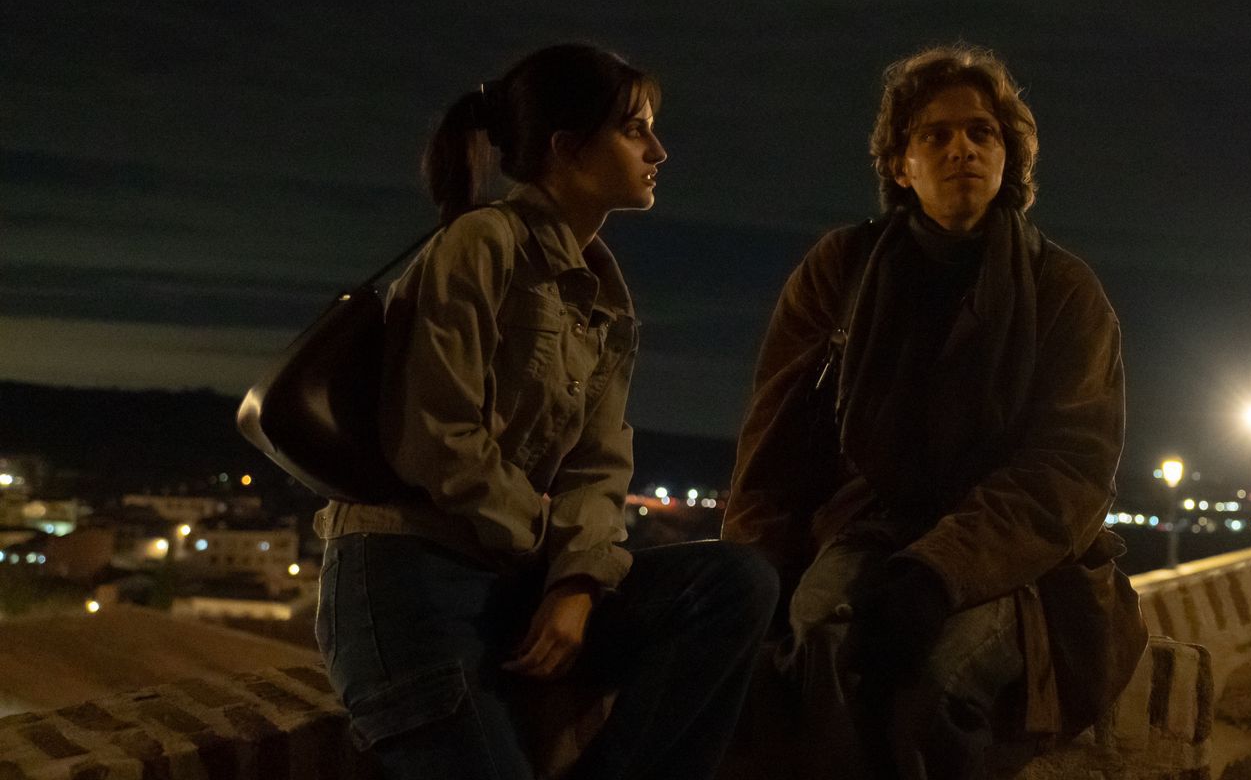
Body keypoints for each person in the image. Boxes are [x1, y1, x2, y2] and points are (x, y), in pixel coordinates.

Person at [315, 43, 777, 780]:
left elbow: (599, 466)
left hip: (510, 582)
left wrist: (577, 582)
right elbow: (439, 439)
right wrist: (549, 551)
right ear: (567, 148)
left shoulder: (604, 296)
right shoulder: (478, 246)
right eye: (634, 130)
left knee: (735, 585)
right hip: (409, 581)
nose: (658, 150)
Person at [722, 44, 1146, 780]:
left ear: (1009, 157)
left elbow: (1069, 469)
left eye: (983, 133)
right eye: (936, 135)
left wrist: (936, 572)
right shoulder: (842, 271)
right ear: (899, 163)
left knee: (936, 683)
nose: (963, 150)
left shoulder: (1063, 291)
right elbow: (774, 445)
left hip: (1018, 567)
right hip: (865, 529)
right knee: (816, 646)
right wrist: (756, 573)